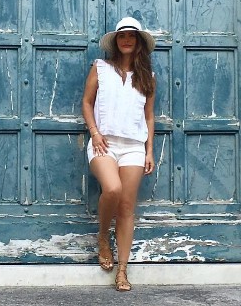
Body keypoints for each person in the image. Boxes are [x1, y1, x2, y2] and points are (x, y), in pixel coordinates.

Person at [81, 16, 156, 292]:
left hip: (134, 146)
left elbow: (149, 117)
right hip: (104, 143)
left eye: (131, 36)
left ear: (138, 42)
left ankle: (122, 271)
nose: (126, 40)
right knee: (112, 189)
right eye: (122, 36)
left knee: (126, 207)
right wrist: (94, 132)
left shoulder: (148, 78)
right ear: (115, 41)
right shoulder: (100, 68)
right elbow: (87, 102)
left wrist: (149, 150)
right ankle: (103, 236)